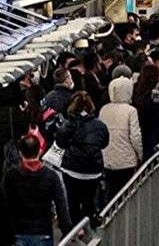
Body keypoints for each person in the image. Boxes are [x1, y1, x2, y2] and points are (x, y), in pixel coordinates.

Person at [3, 135, 72, 246]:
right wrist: (68, 231)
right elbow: (61, 207)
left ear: (21, 153)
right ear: (39, 152)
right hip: (43, 232)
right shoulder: (51, 176)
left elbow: (4, 206)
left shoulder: (11, 176)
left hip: (18, 232)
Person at [56, 92, 109, 225]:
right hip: (93, 170)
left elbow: (60, 142)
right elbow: (104, 143)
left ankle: (75, 230)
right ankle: (90, 225)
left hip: (72, 168)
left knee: (73, 202)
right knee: (89, 200)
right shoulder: (100, 125)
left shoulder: (69, 124)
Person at [99, 77, 143, 202]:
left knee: (110, 191)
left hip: (107, 158)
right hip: (127, 159)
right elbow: (135, 136)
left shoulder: (104, 109)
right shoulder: (131, 111)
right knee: (126, 193)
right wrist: (140, 154)